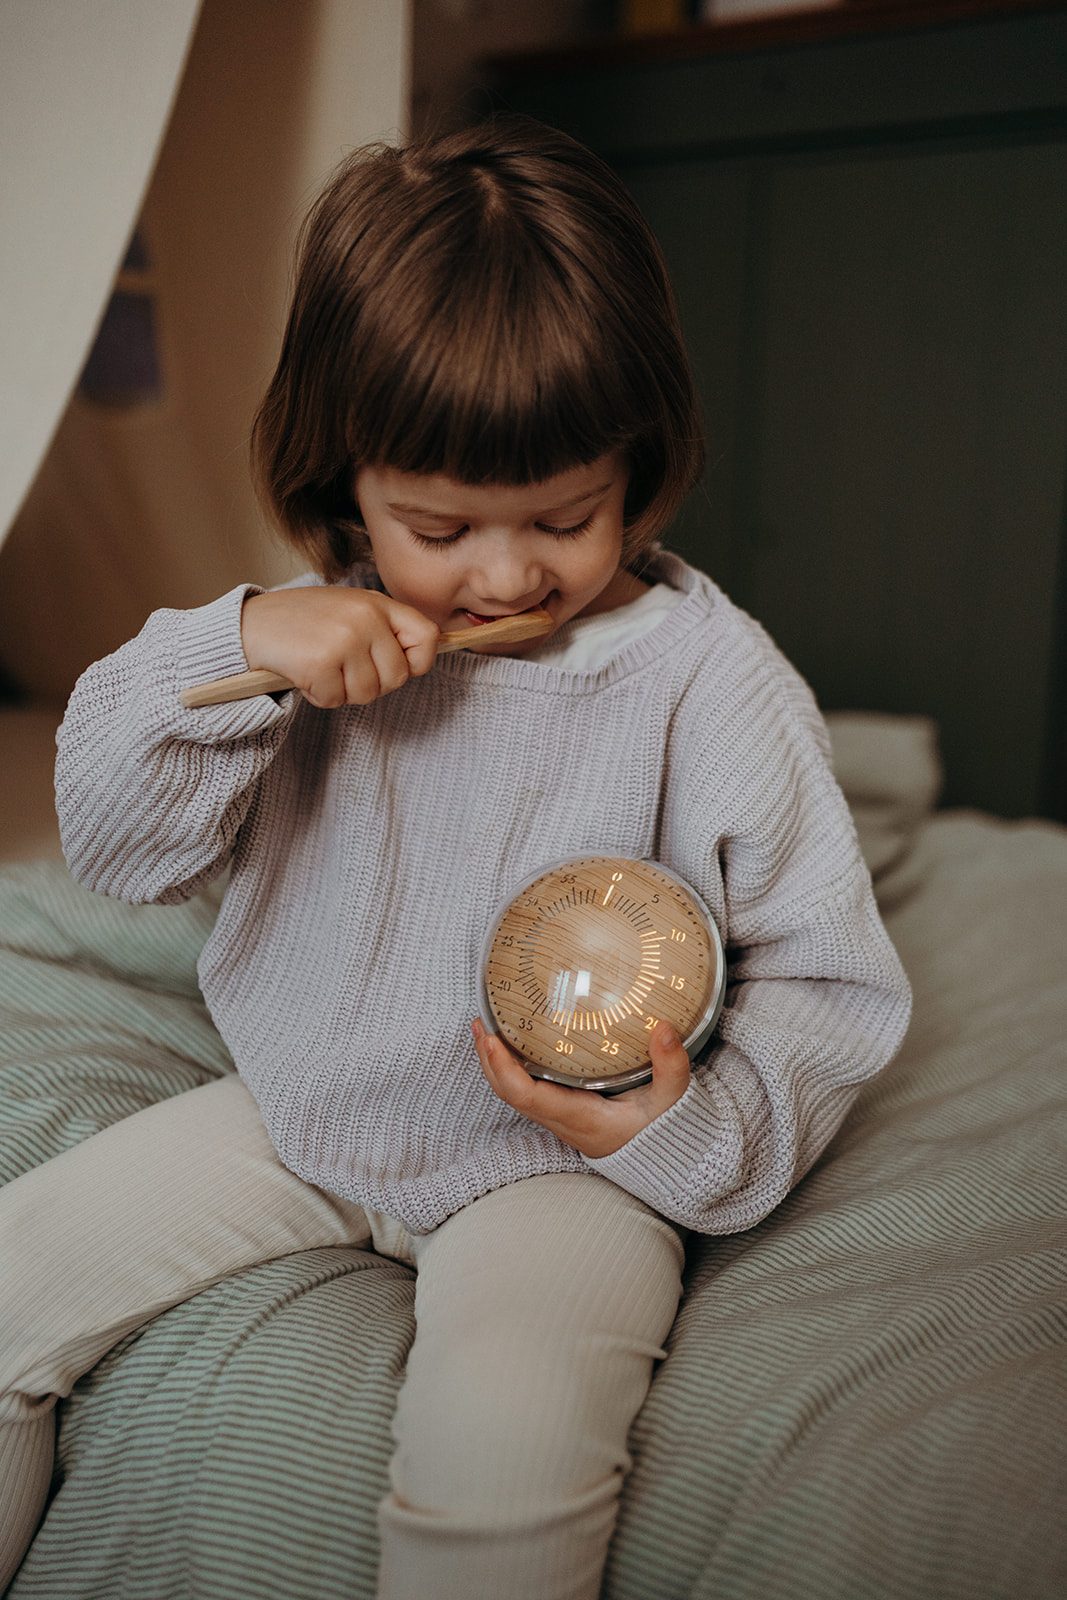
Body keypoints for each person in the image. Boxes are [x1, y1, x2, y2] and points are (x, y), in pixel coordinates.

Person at [0, 117, 911, 1599]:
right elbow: (116, 846)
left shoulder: (711, 681)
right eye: (437, 526)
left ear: (642, 467)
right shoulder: (315, 641)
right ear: (344, 490)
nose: (503, 573)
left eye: (565, 517)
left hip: (563, 1173)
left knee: (506, 1449)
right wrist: (239, 640)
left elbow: (826, 981)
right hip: (304, 1106)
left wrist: (685, 1131)